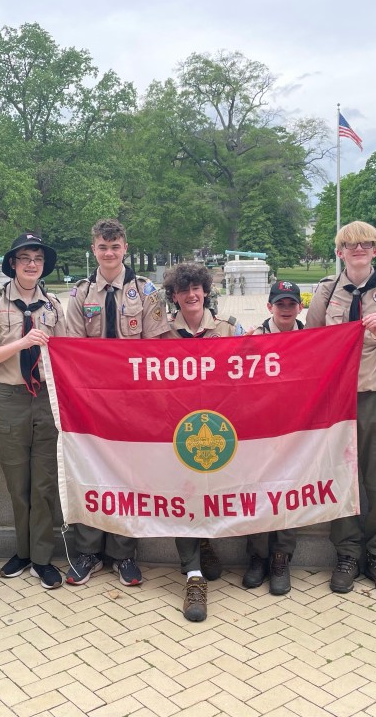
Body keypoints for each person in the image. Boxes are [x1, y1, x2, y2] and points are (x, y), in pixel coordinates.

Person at [305, 222, 376, 599]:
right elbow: (311, 343)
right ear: (340, 252)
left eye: (366, 244)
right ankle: (347, 554)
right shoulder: (326, 291)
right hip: (337, 399)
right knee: (339, 479)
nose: (359, 249)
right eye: (351, 245)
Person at [64, 218, 170, 588]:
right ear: (93, 249)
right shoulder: (81, 295)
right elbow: (73, 350)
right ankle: (88, 551)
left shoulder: (145, 292)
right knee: (90, 471)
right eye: (102, 247)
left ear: (125, 247)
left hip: (133, 400)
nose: (109, 253)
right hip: (93, 399)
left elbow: (156, 346)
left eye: (115, 247)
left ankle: (124, 553)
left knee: (129, 475)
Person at [0, 233, 67, 589]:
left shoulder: (54, 306)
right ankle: (23, 551)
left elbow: (66, 353)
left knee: (44, 482)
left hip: (45, 397)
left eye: (38, 259)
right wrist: (23, 342)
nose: (32, 264)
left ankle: (42, 558)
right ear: (12, 263)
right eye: (25, 258)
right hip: (11, 397)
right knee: (17, 482)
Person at [161, 261, 244, 622]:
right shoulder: (162, 336)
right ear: (174, 296)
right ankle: (192, 572)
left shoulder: (228, 329)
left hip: (222, 427)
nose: (191, 295)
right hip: (179, 431)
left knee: (216, 491)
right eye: (183, 290)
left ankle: (206, 542)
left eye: (196, 288)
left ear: (206, 291)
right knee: (183, 496)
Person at [242, 280, 304, 595]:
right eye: (280, 304)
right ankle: (258, 556)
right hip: (260, 428)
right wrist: (242, 347)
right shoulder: (254, 337)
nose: (286, 309)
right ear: (270, 307)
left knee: (290, 491)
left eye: (291, 304)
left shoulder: (312, 337)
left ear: (300, 307)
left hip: (298, 428)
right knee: (256, 490)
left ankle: (281, 556)